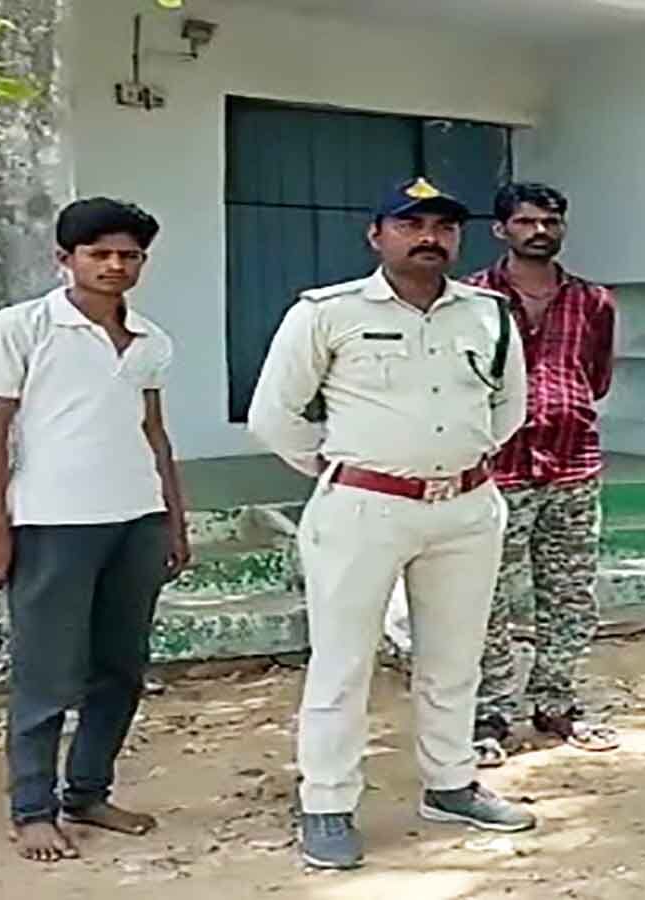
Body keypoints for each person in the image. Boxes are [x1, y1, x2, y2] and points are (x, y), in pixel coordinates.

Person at [247, 176, 534, 871]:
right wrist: (343, 468)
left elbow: (509, 408)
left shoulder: (491, 315)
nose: (428, 238)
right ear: (376, 235)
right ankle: (326, 803)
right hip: (363, 510)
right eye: (410, 225)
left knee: (455, 659)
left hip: (465, 509)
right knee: (343, 664)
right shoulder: (327, 313)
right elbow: (274, 415)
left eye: (443, 226)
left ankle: (451, 784)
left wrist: (453, 464)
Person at [0, 198, 189, 863]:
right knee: (47, 676)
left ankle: (88, 792)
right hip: (51, 523)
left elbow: (154, 433)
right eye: (99, 254)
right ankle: (32, 810)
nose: (115, 265)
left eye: (130, 255)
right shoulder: (21, 327)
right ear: (65, 258)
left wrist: (174, 519)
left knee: (120, 669)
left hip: (137, 522)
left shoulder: (150, 339)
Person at [385, 182, 619, 764]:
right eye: (526, 221)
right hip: (495, 472)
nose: (539, 231)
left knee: (570, 594)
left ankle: (556, 703)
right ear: (501, 229)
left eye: (550, 222)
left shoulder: (593, 302)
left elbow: (597, 376)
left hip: (573, 466)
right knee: (484, 598)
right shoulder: (470, 301)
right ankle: (489, 713)